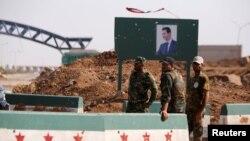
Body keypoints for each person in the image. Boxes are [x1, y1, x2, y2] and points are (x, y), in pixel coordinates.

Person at [186, 56, 210, 141]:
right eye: (194, 64)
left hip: (197, 112)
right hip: (189, 112)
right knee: (185, 134)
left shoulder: (203, 78)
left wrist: (200, 111)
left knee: (197, 136)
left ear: (202, 65)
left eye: (197, 64)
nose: (195, 66)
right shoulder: (191, 79)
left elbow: (206, 95)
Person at [159, 57, 186, 121]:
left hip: (172, 109)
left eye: (165, 65)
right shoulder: (178, 74)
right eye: (163, 64)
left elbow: (167, 94)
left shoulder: (167, 75)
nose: (163, 66)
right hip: (181, 107)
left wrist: (164, 110)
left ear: (171, 65)